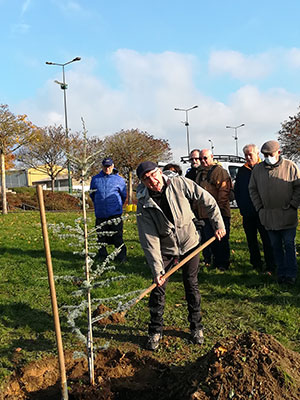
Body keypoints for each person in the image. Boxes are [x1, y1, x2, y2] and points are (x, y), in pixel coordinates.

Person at [136, 161, 225, 350]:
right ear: (143, 182)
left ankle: (196, 327)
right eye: (146, 179)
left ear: (159, 172)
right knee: (158, 287)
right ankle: (155, 331)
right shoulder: (144, 203)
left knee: (191, 283)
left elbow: (207, 200)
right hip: (165, 249)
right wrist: (157, 269)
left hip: (190, 243)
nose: (152, 181)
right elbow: (149, 240)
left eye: (153, 175)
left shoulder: (180, 184)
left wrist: (218, 224)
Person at [249, 140, 300, 285]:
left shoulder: (290, 166)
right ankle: (281, 273)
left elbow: (298, 187)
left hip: (287, 214)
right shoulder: (258, 170)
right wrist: (259, 208)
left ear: (278, 152)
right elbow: (252, 189)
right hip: (269, 216)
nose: (267, 157)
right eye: (264, 154)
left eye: (269, 154)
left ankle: (291, 274)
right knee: (275, 246)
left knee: (289, 245)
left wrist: (293, 205)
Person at [235, 144, 275, 273]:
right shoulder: (242, 171)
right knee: (251, 240)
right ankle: (256, 264)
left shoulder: (264, 168)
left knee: (267, 239)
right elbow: (238, 191)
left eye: (250, 154)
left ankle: (271, 265)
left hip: (263, 211)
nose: (247, 157)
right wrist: (242, 207)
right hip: (248, 212)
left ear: (257, 154)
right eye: (245, 155)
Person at [195, 149, 232, 270]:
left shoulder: (219, 172)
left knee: (221, 240)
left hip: (218, 213)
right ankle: (214, 262)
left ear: (212, 157)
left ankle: (223, 263)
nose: (203, 161)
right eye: (201, 159)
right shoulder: (200, 173)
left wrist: (219, 211)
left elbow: (224, 191)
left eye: (205, 158)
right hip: (204, 214)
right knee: (210, 239)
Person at [90, 157, 127, 262]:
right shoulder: (95, 179)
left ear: (113, 166)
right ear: (102, 167)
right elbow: (92, 194)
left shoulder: (119, 180)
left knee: (117, 237)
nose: (107, 169)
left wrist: (117, 206)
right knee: (101, 237)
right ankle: (102, 256)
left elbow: (123, 195)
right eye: (105, 167)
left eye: (109, 167)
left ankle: (121, 256)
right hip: (100, 213)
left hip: (115, 214)